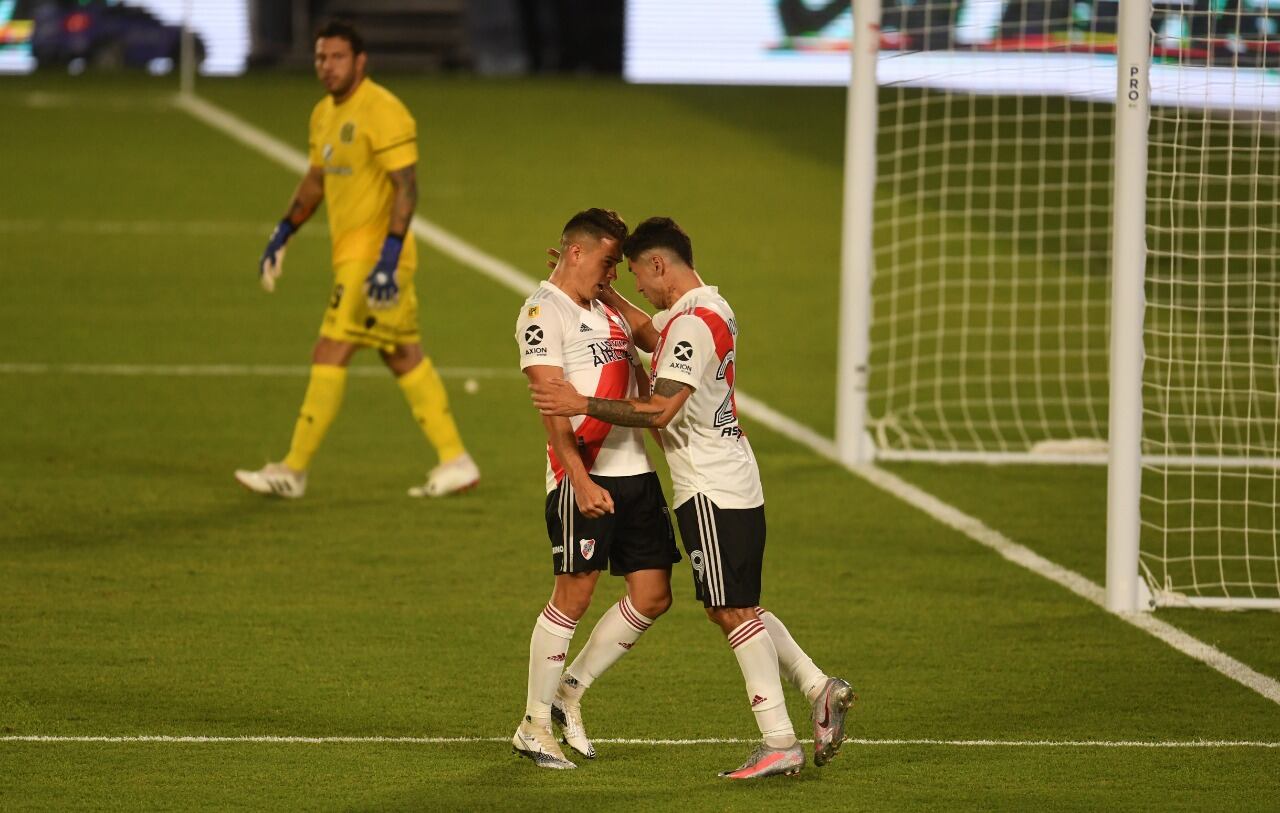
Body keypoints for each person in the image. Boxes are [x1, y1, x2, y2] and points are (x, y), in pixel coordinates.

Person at [531, 216, 855, 779]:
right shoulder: (710, 307)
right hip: (735, 477)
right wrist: (599, 288)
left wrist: (576, 400)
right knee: (738, 605)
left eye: (634, 274)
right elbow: (651, 334)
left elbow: (659, 410)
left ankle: (779, 740)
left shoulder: (691, 326)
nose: (633, 288)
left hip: (708, 485)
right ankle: (817, 686)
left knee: (731, 610)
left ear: (660, 265)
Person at [234, 20, 479, 500]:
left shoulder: (383, 110)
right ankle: (456, 460)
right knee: (402, 354)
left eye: (337, 57)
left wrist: (387, 258)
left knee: (330, 349)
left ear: (360, 61)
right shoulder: (323, 113)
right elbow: (315, 180)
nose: (327, 66)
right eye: (321, 57)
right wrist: (283, 231)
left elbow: (406, 187)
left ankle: (293, 469)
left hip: (374, 262)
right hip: (357, 257)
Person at [510, 209, 681, 770]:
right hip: (582, 472)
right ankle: (534, 724)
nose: (613, 275)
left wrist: (610, 291)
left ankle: (569, 691)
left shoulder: (603, 305)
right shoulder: (542, 312)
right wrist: (578, 478)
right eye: (608, 262)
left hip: (635, 473)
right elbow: (551, 404)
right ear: (575, 252)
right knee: (574, 597)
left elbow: (655, 336)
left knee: (654, 593)